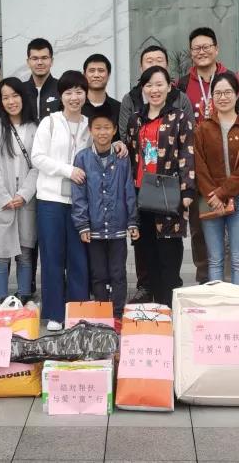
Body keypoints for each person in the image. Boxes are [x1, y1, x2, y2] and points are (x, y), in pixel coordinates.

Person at [118, 45, 193, 303]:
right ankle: (154, 311)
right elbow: (130, 155)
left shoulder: (179, 117)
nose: (155, 90)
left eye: (159, 84)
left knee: (169, 255)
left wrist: (187, 190)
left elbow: (188, 154)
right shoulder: (135, 119)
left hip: (168, 192)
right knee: (147, 252)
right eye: (149, 85)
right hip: (141, 192)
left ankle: (168, 307)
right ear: (143, 89)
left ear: (169, 87)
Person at [175, 27, 235, 285]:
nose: (201, 52)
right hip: (197, 166)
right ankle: (204, 280)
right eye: (196, 48)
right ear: (191, 53)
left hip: (228, 165)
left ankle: (233, 280)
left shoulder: (230, 78)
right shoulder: (181, 85)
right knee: (200, 227)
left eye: (206, 46)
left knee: (233, 226)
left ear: (216, 49)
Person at [32, 70, 92, 329]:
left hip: (80, 202)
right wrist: (68, 171)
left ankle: (77, 311)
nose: (74, 97)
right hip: (50, 200)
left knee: (79, 257)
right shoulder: (50, 122)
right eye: (68, 92)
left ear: (86, 94)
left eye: (79, 91)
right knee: (52, 257)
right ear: (60, 96)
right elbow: (37, 157)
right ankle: (55, 314)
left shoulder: (90, 125)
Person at [72, 107, 138, 319]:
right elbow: (79, 194)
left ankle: (117, 315)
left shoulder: (121, 158)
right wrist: (82, 224)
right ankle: (102, 315)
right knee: (98, 274)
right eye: (98, 128)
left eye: (107, 128)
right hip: (94, 228)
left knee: (118, 273)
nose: (102, 132)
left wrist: (132, 221)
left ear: (115, 130)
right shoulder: (82, 158)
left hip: (118, 227)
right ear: (90, 130)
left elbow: (128, 190)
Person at [195, 73, 239, 286]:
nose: (223, 97)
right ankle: (217, 303)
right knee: (215, 259)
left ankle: (238, 303)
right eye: (218, 93)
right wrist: (212, 195)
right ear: (212, 97)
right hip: (209, 198)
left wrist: (222, 193)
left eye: (228, 92)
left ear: (237, 94)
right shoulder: (203, 129)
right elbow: (199, 165)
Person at [0, 77, 39, 303]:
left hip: (26, 199)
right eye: (5, 97)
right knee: (0, 254)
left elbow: (37, 166)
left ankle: (24, 295)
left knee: (25, 252)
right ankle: (1, 297)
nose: (11, 101)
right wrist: (3, 196)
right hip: (1, 200)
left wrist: (24, 194)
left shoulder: (35, 128)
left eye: (15, 96)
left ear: (23, 97)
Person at [81, 53, 121, 141]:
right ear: (84, 75)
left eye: (101, 70)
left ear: (109, 75)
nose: (96, 75)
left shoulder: (119, 108)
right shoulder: (76, 107)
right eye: (92, 71)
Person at [22, 38, 61, 119]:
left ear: (52, 61)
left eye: (44, 58)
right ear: (28, 62)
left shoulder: (62, 88)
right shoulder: (20, 90)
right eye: (35, 58)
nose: (39, 62)